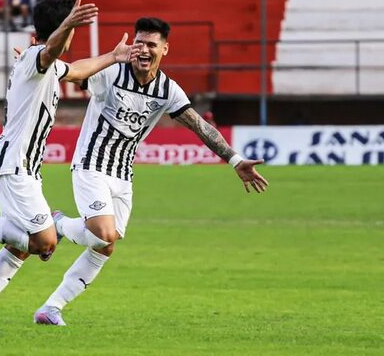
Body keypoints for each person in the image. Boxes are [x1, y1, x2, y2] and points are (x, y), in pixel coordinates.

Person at [33, 17, 269, 326]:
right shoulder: (112, 74)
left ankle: (51, 308)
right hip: (90, 165)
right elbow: (74, 72)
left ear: (165, 50)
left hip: (123, 175)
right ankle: (60, 224)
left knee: (107, 244)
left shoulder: (167, 90)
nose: (143, 50)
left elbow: (199, 126)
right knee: (101, 233)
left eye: (151, 45)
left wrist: (235, 160)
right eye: (139, 43)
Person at [0, 0, 143, 331]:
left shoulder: (45, 63)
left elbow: (76, 70)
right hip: (13, 165)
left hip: (25, 168)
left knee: (22, 247)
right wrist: (69, 26)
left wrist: (114, 56)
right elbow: (50, 53)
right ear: (64, 29)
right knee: (44, 241)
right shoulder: (36, 56)